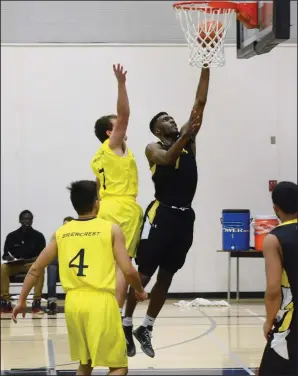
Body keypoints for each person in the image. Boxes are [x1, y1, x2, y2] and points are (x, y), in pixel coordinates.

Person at [12, 180, 147, 376]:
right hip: (100, 302)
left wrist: (22, 300)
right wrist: (140, 290)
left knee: (86, 364)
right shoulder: (111, 229)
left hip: (73, 304)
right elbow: (128, 270)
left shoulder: (61, 233)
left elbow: (35, 269)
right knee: (119, 367)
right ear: (96, 203)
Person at [123, 67, 210, 358]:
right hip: (160, 216)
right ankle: (126, 323)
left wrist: (205, 64)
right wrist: (187, 133)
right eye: (166, 120)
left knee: (168, 275)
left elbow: (199, 103)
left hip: (185, 218)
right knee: (144, 274)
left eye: (173, 117)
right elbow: (169, 156)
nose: (172, 120)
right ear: (158, 130)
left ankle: (146, 327)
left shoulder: (188, 142)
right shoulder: (153, 148)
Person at [90, 64, 143, 316]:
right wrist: (121, 83)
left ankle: (101, 311)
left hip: (104, 209)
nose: (123, 128)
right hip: (123, 209)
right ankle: (115, 316)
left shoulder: (97, 158)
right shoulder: (113, 146)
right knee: (123, 265)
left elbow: (98, 191)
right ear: (110, 132)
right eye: (117, 126)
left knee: (106, 265)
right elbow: (124, 114)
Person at [258, 181, 298, 376]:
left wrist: (268, 321)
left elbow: (274, 290)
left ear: (276, 208)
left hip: (292, 319)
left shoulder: (274, 239)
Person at [1, 210, 46, 314]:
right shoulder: (12, 236)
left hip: (30, 265)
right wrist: (8, 258)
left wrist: (29, 260)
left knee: (40, 268)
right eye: (25, 219)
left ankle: (36, 302)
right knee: (2, 268)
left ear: (32, 221)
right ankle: (5, 302)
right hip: (15, 265)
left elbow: (41, 256)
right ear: (20, 220)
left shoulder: (38, 236)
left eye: (29, 219)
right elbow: (5, 254)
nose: (27, 221)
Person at [46, 216, 74, 315]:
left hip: (74, 265)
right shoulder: (58, 235)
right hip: (61, 265)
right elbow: (50, 251)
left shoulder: (77, 237)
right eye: (64, 226)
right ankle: (52, 301)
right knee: (52, 263)